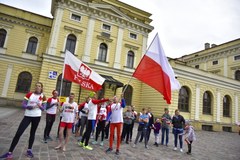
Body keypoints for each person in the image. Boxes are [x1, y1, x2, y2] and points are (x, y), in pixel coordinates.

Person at [0, 82, 46, 159]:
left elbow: (44, 109)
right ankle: (9, 153)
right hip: (27, 116)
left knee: (32, 133)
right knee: (18, 133)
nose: (37, 87)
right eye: (36, 86)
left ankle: (29, 150)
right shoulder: (29, 94)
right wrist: (28, 107)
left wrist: (39, 105)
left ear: (41, 88)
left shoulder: (43, 96)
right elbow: (23, 104)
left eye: (39, 86)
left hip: (37, 117)